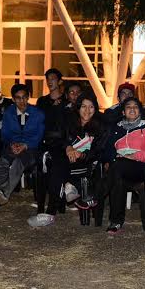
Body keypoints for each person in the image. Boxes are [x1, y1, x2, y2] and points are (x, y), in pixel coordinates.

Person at [35, 95, 108, 225]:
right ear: (78, 108)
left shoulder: (101, 125)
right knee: (57, 161)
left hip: (85, 162)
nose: (87, 110)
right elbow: (56, 138)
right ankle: (70, 187)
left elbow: (99, 150)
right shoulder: (69, 121)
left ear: (95, 109)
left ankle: (51, 211)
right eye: (83, 106)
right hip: (65, 159)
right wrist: (68, 147)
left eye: (91, 107)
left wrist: (81, 154)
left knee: (57, 169)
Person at [99, 96, 145, 233]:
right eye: (128, 107)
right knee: (117, 176)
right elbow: (108, 150)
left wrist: (132, 156)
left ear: (140, 111)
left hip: (141, 167)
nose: (132, 109)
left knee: (117, 167)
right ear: (123, 112)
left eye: (135, 107)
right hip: (119, 168)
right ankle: (116, 222)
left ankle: (97, 194)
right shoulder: (116, 129)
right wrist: (113, 158)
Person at [0, 84, 45, 209]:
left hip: (31, 149)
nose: (21, 101)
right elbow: (5, 133)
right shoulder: (9, 112)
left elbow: (40, 136)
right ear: (13, 99)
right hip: (13, 145)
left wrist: (26, 145)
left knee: (18, 163)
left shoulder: (38, 113)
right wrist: (12, 144)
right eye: (18, 98)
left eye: (24, 97)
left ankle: (4, 195)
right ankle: (0, 191)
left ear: (28, 97)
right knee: (3, 161)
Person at [37, 68, 67, 146]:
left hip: (63, 141)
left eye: (53, 79)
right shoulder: (42, 101)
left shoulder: (66, 100)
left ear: (60, 81)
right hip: (44, 139)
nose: (49, 81)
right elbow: (39, 120)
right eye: (48, 79)